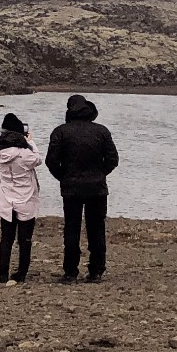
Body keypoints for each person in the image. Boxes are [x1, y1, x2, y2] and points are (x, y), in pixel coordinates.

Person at [44, 94, 119, 283]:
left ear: (70, 110)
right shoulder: (102, 131)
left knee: (72, 229)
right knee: (96, 229)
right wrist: (100, 174)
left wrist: (63, 177)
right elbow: (112, 160)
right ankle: (96, 271)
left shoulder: (60, 132)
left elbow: (51, 161)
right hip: (97, 188)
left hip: (71, 188)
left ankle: (70, 272)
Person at [0, 112, 42, 284]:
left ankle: (3, 272)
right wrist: (30, 142)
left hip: (6, 201)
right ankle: (21, 272)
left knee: (6, 238)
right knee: (24, 240)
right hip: (26, 200)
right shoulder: (25, 154)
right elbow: (38, 159)